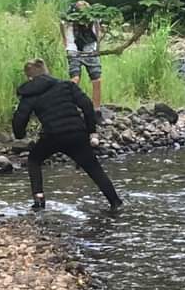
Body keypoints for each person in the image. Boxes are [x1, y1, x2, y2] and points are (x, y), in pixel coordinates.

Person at [12, 58, 122, 211]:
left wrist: (20, 135)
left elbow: (19, 121)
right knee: (93, 168)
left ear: (29, 78)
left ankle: (39, 201)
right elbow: (87, 105)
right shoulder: (66, 85)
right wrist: (91, 131)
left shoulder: (29, 96)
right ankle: (115, 202)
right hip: (77, 134)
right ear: (47, 72)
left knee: (34, 160)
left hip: (52, 137)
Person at [60, 0, 103, 121]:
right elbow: (98, 31)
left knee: (94, 80)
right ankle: (73, 108)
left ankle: (96, 110)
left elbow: (97, 31)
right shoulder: (69, 21)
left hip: (88, 49)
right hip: (76, 49)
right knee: (77, 78)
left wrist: (97, 47)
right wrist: (66, 43)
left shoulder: (92, 19)